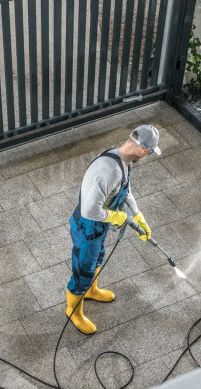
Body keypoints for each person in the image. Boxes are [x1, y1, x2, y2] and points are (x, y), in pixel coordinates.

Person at [65, 124, 161, 335]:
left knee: (98, 258)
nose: (148, 155)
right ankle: (73, 311)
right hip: (88, 226)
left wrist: (137, 214)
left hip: (100, 224)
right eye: (150, 151)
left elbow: (124, 190)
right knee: (83, 270)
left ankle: (91, 290)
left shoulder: (123, 160)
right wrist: (117, 216)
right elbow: (90, 210)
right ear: (144, 149)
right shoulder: (108, 171)